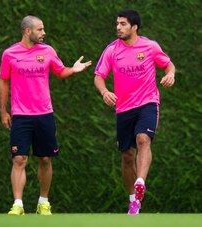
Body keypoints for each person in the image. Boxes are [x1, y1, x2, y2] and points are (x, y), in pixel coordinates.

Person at [0, 15, 92, 215]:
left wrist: (73, 70)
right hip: (21, 115)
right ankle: (18, 204)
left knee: (45, 159)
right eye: (40, 29)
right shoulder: (9, 54)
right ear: (27, 31)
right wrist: (3, 111)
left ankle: (43, 202)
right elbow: (3, 82)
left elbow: (61, 72)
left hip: (45, 114)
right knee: (19, 159)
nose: (44, 33)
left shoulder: (47, 51)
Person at [94, 10, 176, 215]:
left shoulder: (150, 46)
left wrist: (171, 74)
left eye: (123, 24)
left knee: (143, 139)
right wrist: (104, 92)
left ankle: (141, 181)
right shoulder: (112, 50)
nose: (118, 27)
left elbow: (168, 65)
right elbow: (98, 76)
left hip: (148, 102)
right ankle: (134, 201)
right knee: (127, 156)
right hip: (123, 108)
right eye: (117, 24)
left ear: (134, 27)